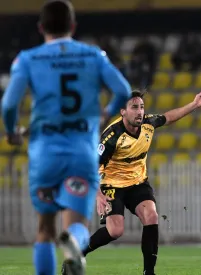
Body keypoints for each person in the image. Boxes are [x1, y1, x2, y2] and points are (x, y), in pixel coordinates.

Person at [0, 1, 132, 275]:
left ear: (40, 28)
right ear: (73, 27)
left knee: (45, 230)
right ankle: (74, 242)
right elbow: (123, 89)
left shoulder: (28, 58)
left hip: (45, 155)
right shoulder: (93, 56)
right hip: (81, 154)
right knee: (77, 224)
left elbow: (9, 105)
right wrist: (106, 114)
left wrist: (12, 132)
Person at [62, 89, 201, 275]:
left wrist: (195, 104)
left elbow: (169, 117)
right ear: (122, 111)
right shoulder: (112, 136)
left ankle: (149, 272)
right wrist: (98, 195)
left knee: (152, 216)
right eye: (134, 107)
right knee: (115, 231)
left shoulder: (148, 124)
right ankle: (77, 254)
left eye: (141, 107)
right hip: (112, 184)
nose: (140, 111)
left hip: (137, 182)